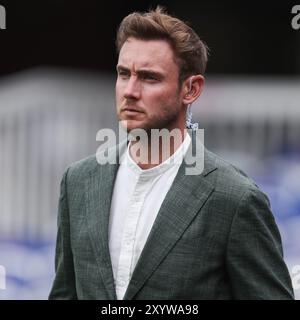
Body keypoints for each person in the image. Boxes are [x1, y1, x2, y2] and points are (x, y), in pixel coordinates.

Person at [49, 7, 294, 300]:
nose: (129, 90)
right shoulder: (78, 181)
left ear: (190, 90)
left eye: (149, 78)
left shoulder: (235, 199)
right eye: (123, 74)